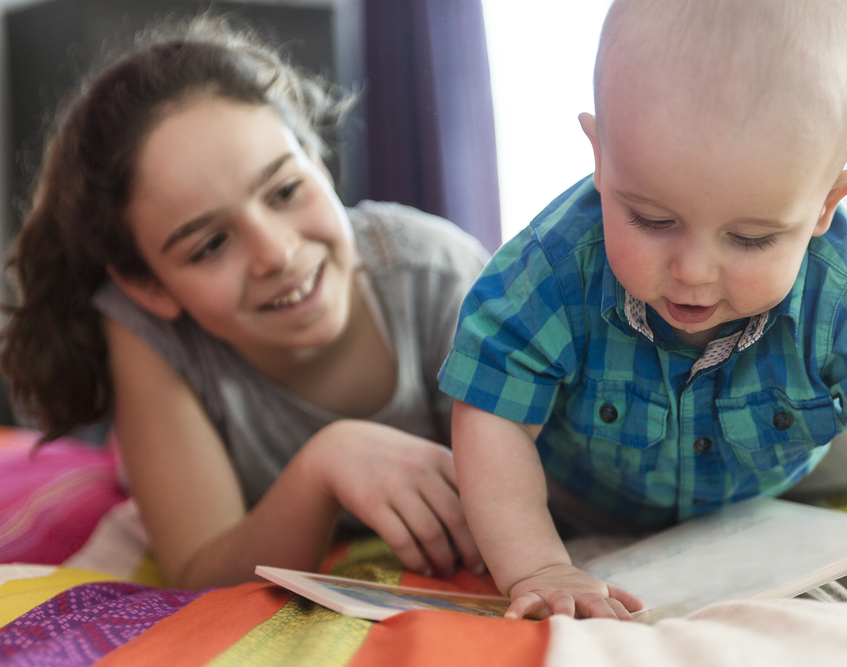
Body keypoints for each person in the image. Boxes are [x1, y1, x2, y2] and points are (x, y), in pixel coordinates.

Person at [438, 0, 847, 620]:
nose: (693, 271)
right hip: (584, 496)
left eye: (750, 239)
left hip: (775, 477)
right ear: (601, 159)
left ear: (826, 206)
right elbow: (490, 419)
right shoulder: (550, 270)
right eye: (653, 220)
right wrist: (540, 565)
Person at [0, 16, 489, 589]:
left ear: (315, 157)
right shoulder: (144, 331)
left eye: (284, 190)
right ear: (149, 286)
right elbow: (198, 571)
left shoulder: (434, 276)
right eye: (210, 245)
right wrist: (324, 463)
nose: (276, 254)